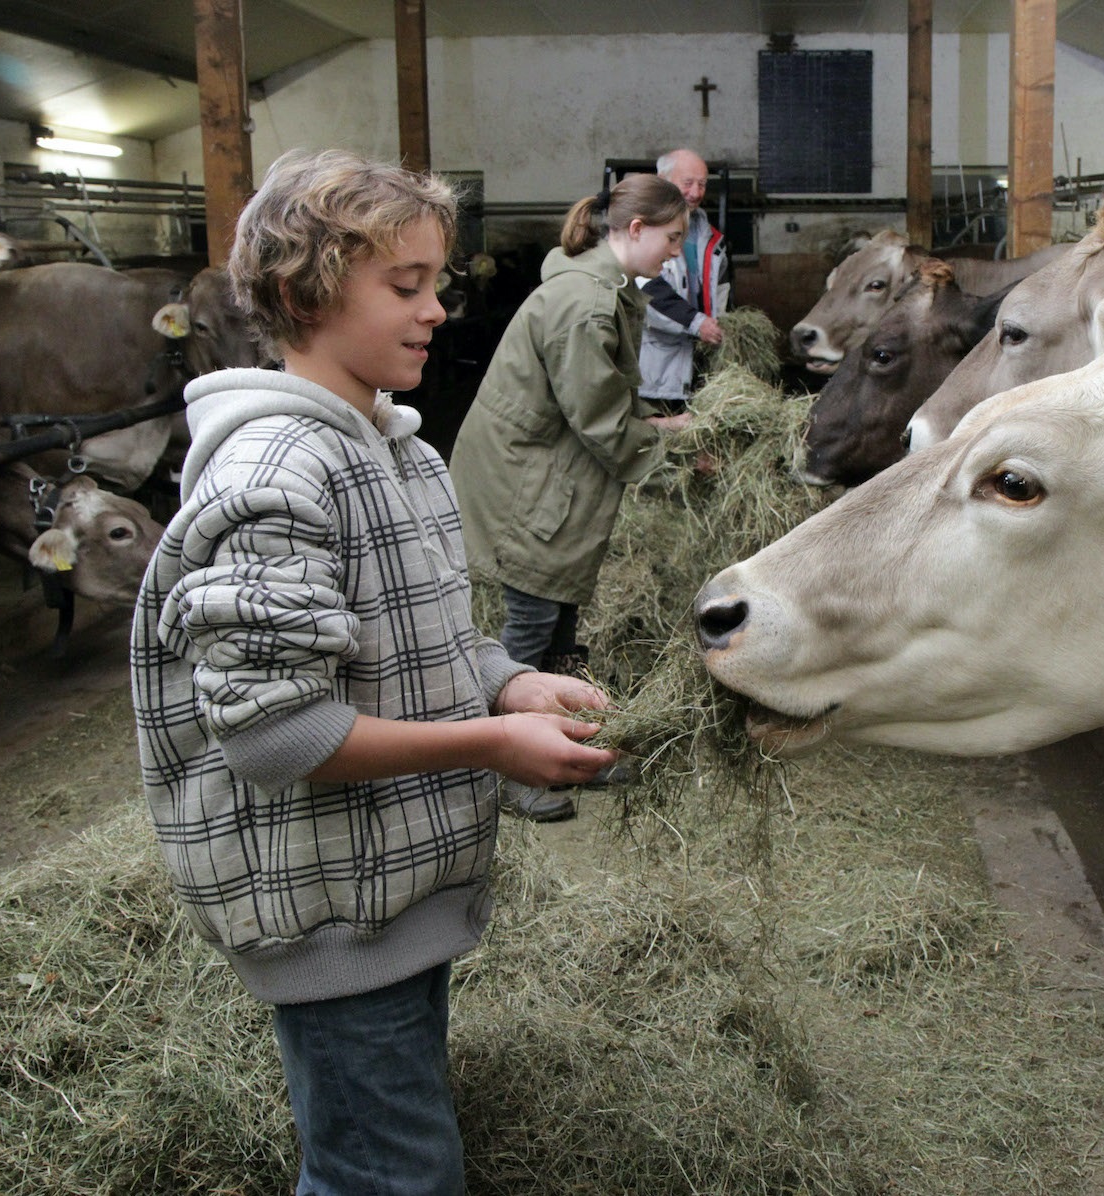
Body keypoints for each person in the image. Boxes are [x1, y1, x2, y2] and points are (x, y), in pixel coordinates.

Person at [130, 147, 618, 1196]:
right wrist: (493, 742)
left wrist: (504, 681)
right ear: (307, 288)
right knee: (387, 1174)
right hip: (328, 906)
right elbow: (274, 735)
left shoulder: (400, 450)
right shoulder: (277, 470)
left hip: (391, 885)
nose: (437, 308)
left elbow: (421, 636)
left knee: (397, 1150)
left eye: (437, 281)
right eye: (407, 285)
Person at [449, 173, 690, 819]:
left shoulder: (600, 288)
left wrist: (661, 423)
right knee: (529, 625)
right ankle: (509, 772)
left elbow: (601, 397)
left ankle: (568, 754)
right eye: (671, 238)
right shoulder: (584, 304)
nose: (676, 253)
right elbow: (600, 421)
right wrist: (673, 458)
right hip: (530, 479)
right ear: (634, 229)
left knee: (559, 621)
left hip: (549, 467)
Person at [636, 148, 730, 414]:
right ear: (663, 180)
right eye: (687, 183)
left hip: (701, 361)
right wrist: (697, 323)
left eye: (702, 184)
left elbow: (721, 290)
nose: (696, 192)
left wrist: (719, 326)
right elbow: (647, 292)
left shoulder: (712, 239)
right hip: (655, 367)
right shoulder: (643, 230)